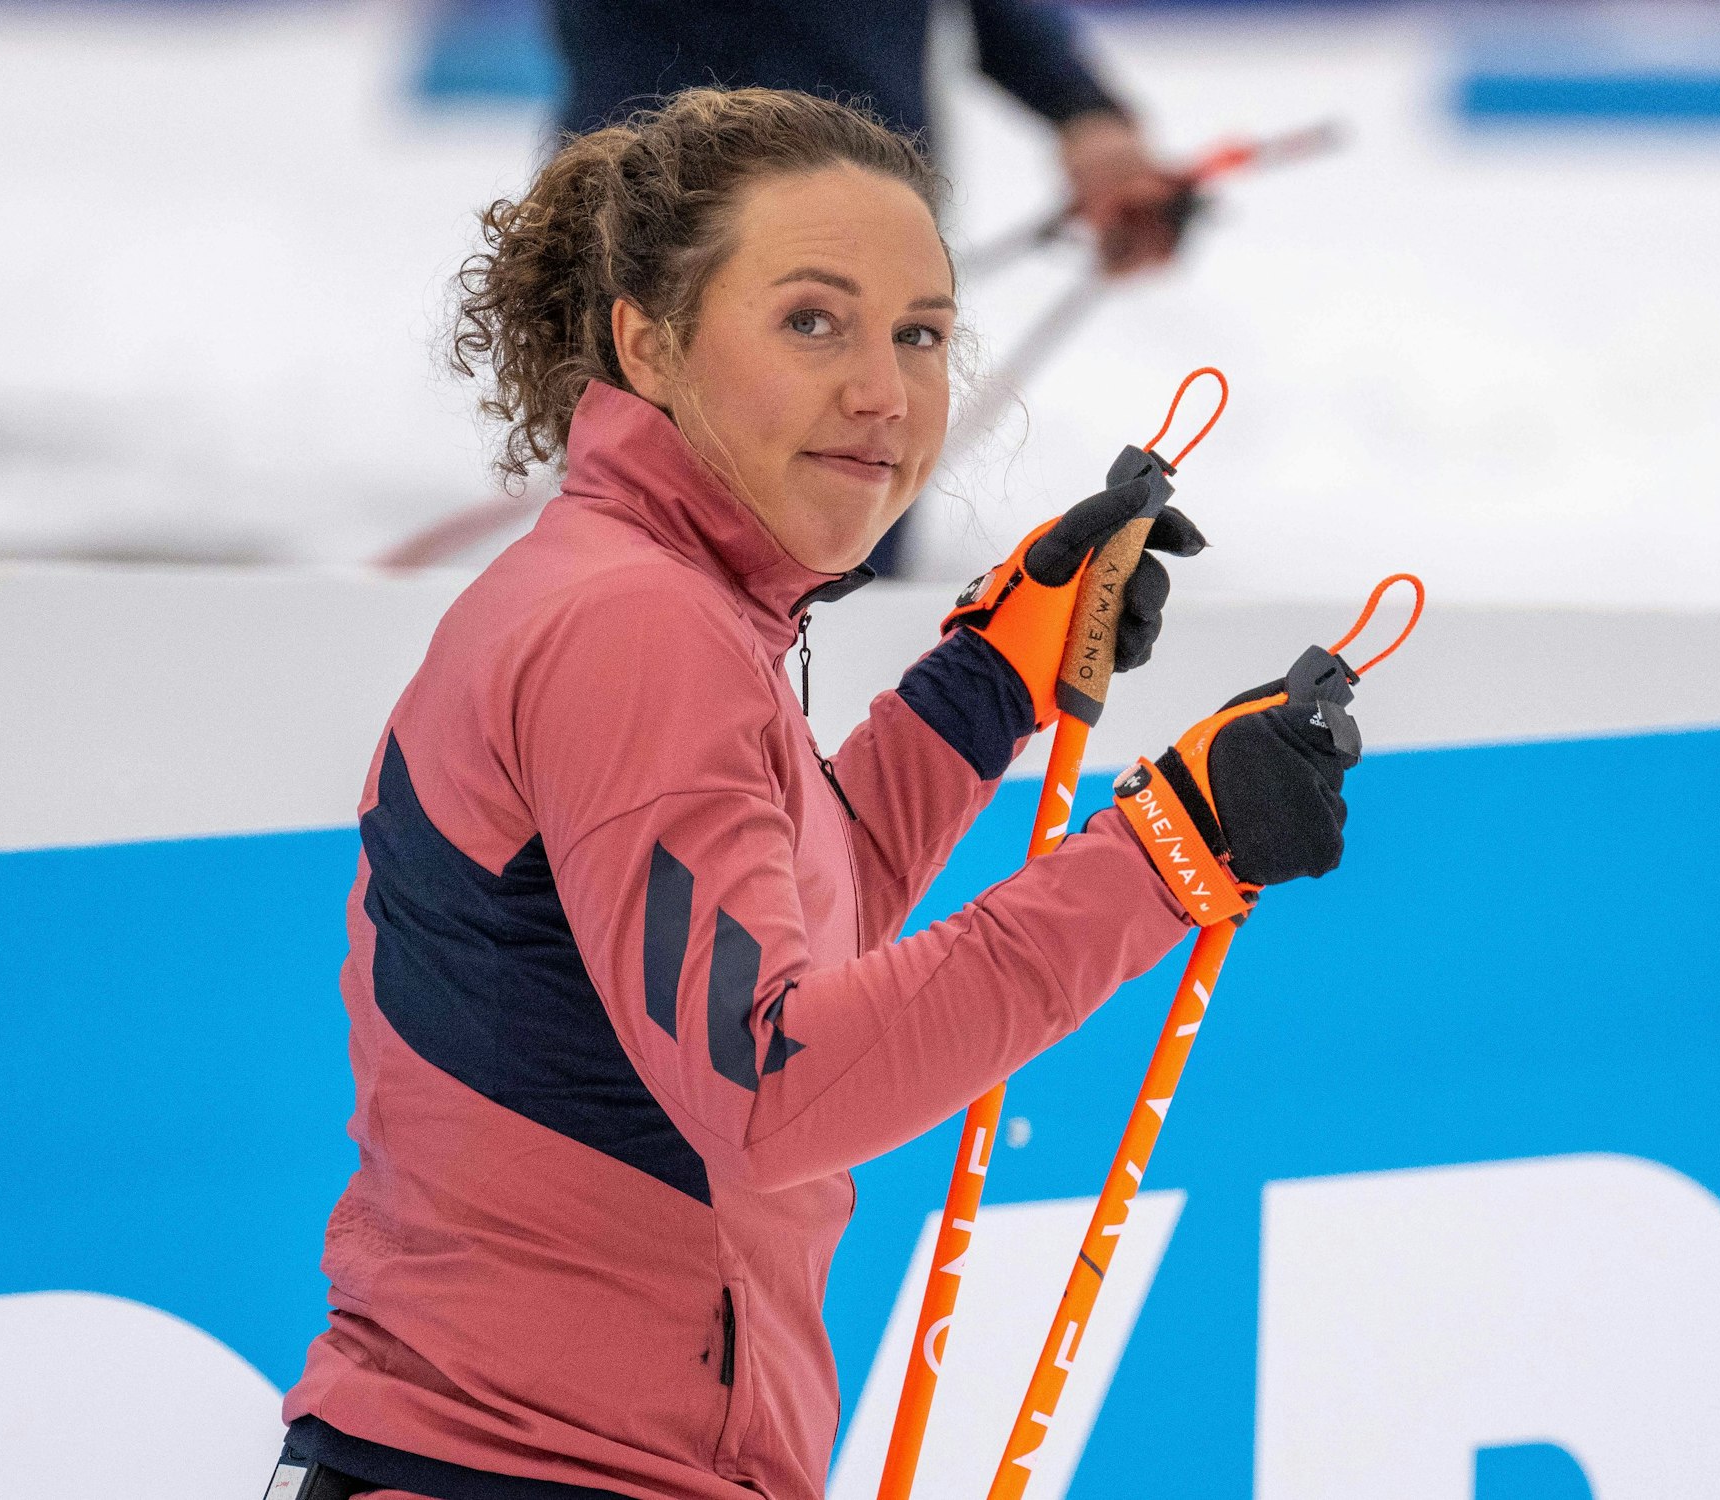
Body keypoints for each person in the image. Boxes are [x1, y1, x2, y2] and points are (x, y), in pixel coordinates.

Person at [271, 88, 1359, 1500]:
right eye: (811, 321)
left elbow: (780, 930)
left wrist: (984, 691)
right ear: (647, 343)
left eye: (919, 334)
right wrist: (1166, 852)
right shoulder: (632, 629)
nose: (885, 394)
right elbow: (774, 1083)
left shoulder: (668, 603)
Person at [546, 0, 1184, 574]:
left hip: (869, 210)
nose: (887, 398)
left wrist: (1085, 113)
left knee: (842, 565)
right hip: (644, 234)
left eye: (920, 335)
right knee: (646, 572)